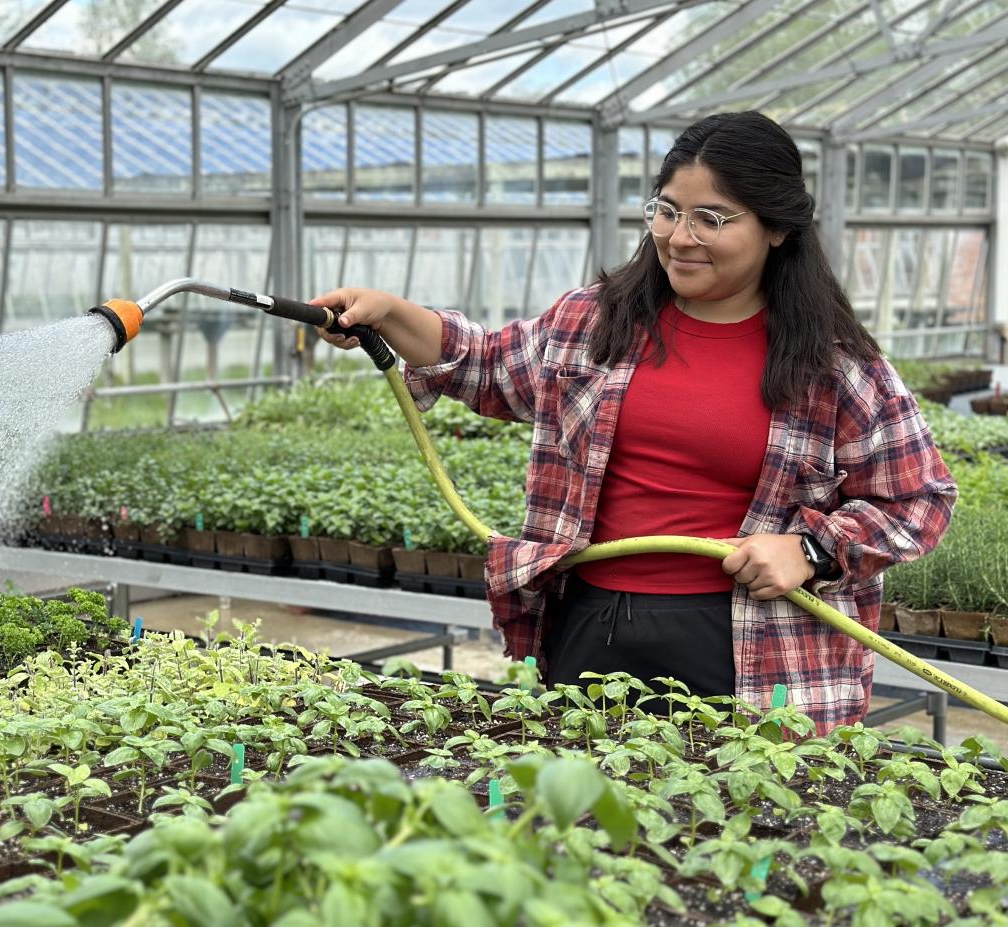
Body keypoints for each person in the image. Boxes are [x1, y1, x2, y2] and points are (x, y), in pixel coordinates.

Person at [313, 111, 956, 734]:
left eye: (712, 218)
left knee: (736, 826)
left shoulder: (834, 366)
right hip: (593, 623)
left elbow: (919, 498)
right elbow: (490, 364)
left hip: (753, 646)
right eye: (668, 209)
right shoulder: (596, 322)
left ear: (777, 229)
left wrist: (809, 551)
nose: (680, 236)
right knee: (588, 823)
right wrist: (390, 312)